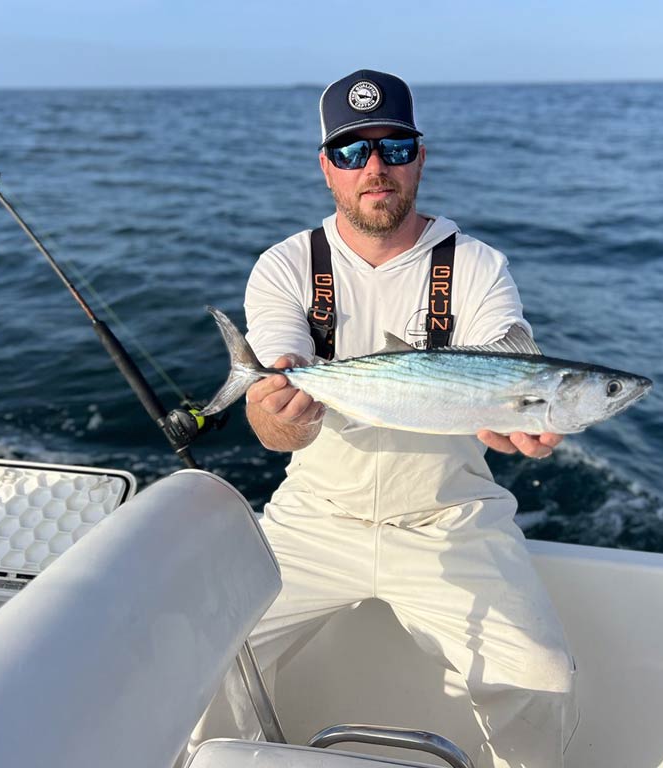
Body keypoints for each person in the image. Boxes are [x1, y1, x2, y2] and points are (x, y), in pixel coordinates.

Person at [202, 69, 577, 768]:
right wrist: (282, 411)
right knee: (207, 657)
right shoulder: (285, 267)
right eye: (351, 153)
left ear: (419, 156)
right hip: (315, 518)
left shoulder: (477, 266)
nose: (374, 169)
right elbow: (277, 425)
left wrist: (515, 422)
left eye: (393, 149)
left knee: (541, 672)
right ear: (327, 168)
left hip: (452, 519)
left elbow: (508, 360)